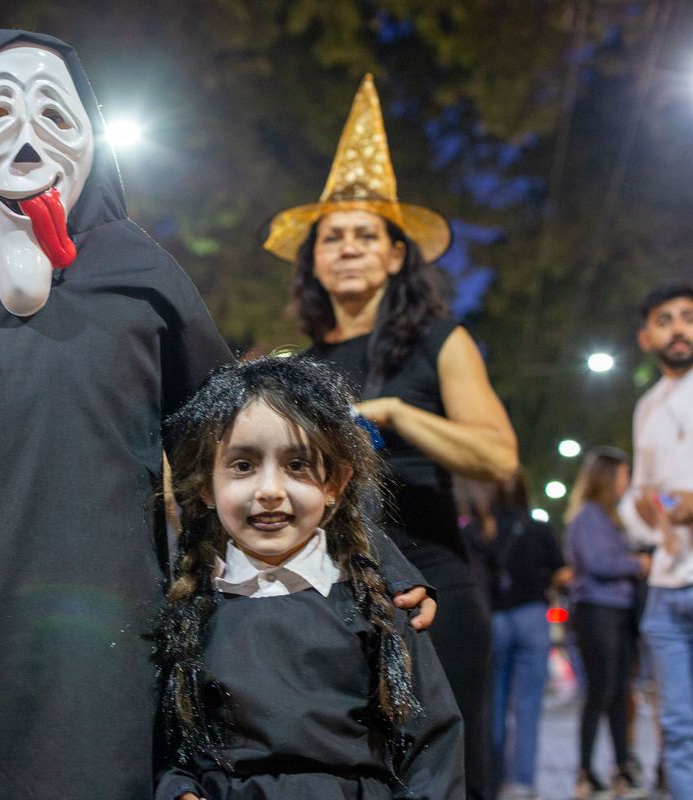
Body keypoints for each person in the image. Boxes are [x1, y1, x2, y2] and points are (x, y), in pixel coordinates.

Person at [0, 30, 434, 800]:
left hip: (117, 669)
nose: (22, 143)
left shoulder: (143, 273)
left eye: (52, 114)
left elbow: (250, 437)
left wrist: (371, 554)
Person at [264, 73, 518, 800]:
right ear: (312, 257)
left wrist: (398, 414)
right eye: (332, 237)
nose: (346, 247)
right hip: (335, 598)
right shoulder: (301, 366)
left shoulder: (441, 342)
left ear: (397, 254)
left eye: (365, 236)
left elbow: (499, 458)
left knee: (452, 776)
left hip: (437, 587)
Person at [152, 355, 463, 799]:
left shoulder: (377, 605)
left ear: (334, 483)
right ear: (206, 486)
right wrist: (178, 790)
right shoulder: (190, 610)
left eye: (297, 465)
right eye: (242, 466)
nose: (270, 490)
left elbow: (433, 744)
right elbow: (171, 745)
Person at [618, 283, 693, 797]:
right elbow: (637, 495)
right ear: (647, 337)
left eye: (688, 316)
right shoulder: (645, 407)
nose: (679, 328)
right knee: (678, 727)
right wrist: (643, 509)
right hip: (666, 588)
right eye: (665, 319)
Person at [460, 474, 567, 800]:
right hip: (532, 616)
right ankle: (522, 782)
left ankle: (493, 776)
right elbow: (561, 572)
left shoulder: (477, 529)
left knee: (493, 703)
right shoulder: (538, 528)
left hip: (494, 619)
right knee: (528, 704)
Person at [565, 447, 650, 799]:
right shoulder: (587, 516)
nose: (626, 482)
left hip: (618, 611)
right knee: (599, 692)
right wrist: (636, 564)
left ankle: (620, 769)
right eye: (623, 474)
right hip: (596, 611)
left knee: (619, 694)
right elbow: (598, 563)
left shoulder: (611, 516)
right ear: (608, 476)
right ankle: (586, 772)